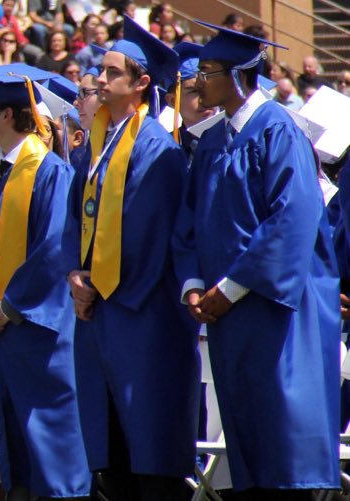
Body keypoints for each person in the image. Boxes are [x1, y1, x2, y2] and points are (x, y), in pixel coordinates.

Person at [175, 22, 342, 498]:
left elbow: (292, 220)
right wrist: (192, 285)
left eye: (208, 71)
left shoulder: (278, 130)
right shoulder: (211, 141)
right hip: (226, 312)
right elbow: (187, 224)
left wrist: (228, 289)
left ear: (241, 73)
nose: (197, 81)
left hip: (273, 309)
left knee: (281, 444)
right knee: (247, 439)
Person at [66, 18, 198, 500]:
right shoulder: (97, 144)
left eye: (110, 72)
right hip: (101, 309)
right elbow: (74, 217)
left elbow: (150, 232)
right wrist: (74, 276)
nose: (98, 80)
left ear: (142, 83)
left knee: (148, 452)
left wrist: (97, 286)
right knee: (113, 455)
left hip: (142, 312)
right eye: (99, 71)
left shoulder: (156, 148)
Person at [0, 64, 89, 499]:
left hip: (36, 332)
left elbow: (53, 251)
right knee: (13, 446)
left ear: (8, 115)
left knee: (51, 447)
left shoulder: (49, 172)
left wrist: (7, 309)